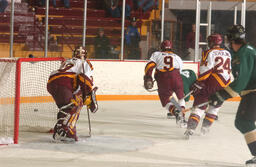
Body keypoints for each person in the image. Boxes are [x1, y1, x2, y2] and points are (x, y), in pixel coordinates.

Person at [209, 25, 256, 165]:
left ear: (230, 40)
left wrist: (221, 95)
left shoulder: (244, 53)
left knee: (244, 122)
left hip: (253, 92)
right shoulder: (245, 51)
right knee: (243, 122)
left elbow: (241, 81)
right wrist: (221, 94)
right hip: (251, 92)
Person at [184, 33, 232, 139]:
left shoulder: (209, 52)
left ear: (211, 42)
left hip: (211, 83)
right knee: (214, 108)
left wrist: (199, 82)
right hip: (225, 85)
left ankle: (190, 129)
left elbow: (206, 69)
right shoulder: (228, 53)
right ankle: (205, 129)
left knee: (199, 107)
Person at [47, 46, 98, 142]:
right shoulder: (85, 63)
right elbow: (84, 78)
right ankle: (65, 130)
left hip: (52, 83)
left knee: (66, 107)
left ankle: (60, 127)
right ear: (85, 55)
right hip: (64, 83)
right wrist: (87, 92)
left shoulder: (69, 61)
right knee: (75, 104)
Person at [144, 40, 186, 126]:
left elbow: (149, 66)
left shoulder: (157, 54)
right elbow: (180, 71)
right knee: (181, 97)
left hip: (164, 78)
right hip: (176, 77)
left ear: (161, 47)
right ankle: (183, 117)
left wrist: (148, 77)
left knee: (166, 99)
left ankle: (176, 111)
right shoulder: (177, 57)